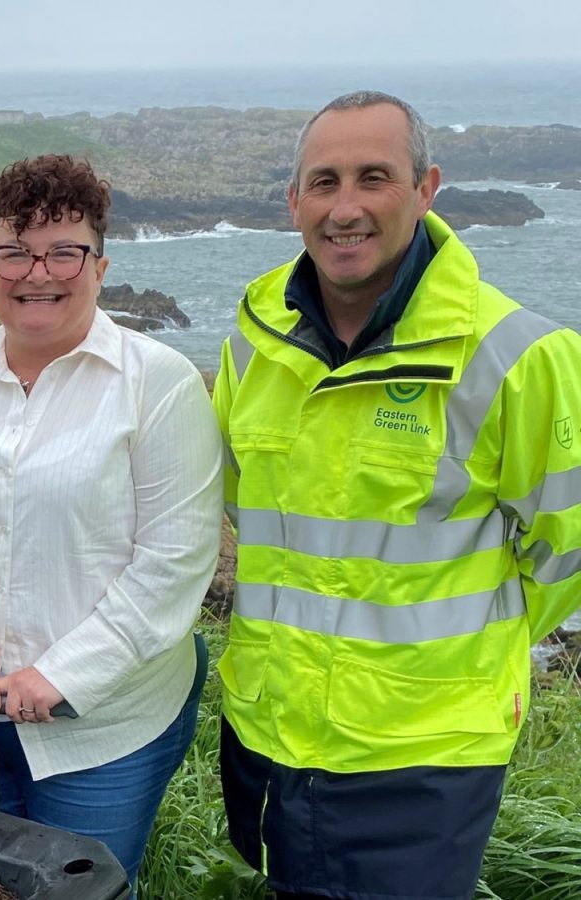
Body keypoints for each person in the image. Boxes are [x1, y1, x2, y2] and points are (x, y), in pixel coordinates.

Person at [214, 90, 581, 900]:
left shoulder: (519, 356)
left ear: (425, 189)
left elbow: (566, 559)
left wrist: (448, 670)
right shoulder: (252, 347)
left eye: (373, 178)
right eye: (324, 182)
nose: (345, 208)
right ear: (293, 202)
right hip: (268, 737)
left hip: (424, 759)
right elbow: (245, 511)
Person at [0, 154, 223, 890]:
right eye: (15, 252)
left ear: (101, 266)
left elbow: (175, 560)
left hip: (105, 730)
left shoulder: (159, 385)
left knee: (78, 891)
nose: (37, 273)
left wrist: (60, 675)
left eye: (64, 252)